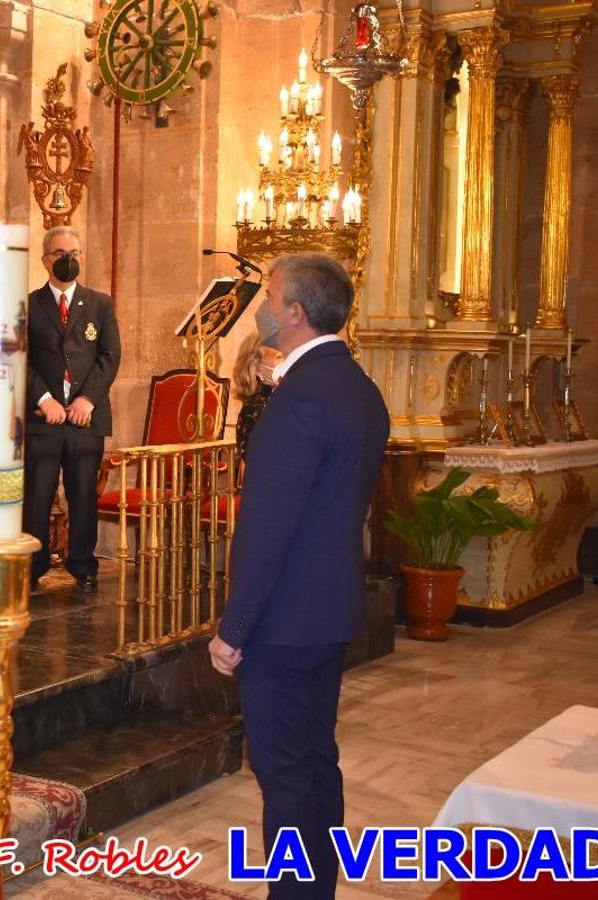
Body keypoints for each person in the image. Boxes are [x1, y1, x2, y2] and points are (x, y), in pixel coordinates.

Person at [208, 252, 389, 900]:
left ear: (295, 313)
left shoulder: (300, 401)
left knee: (284, 775)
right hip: (331, 610)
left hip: (282, 623)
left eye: (269, 297)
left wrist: (234, 628)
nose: (258, 308)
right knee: (317, 763)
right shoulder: (360, 391)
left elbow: (269, 527)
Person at [23, 225, 121, 593]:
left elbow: (110, 356)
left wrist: (87, 399)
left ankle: (83, 565)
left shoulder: (100, 303)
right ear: (46, 260)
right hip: (42, 419)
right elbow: (21, 357)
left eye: (75, 254)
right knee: (38, 495)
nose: (69, 260)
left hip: (85, 417)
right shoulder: (29, 304)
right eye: (61, 254)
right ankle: (33, 566)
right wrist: (44, 399)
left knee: (82, 495)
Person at [232, 331, 283, 467]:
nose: (286, 363)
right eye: (279, 357)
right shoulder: (255, 409)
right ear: (257, 367)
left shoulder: (279, 399)